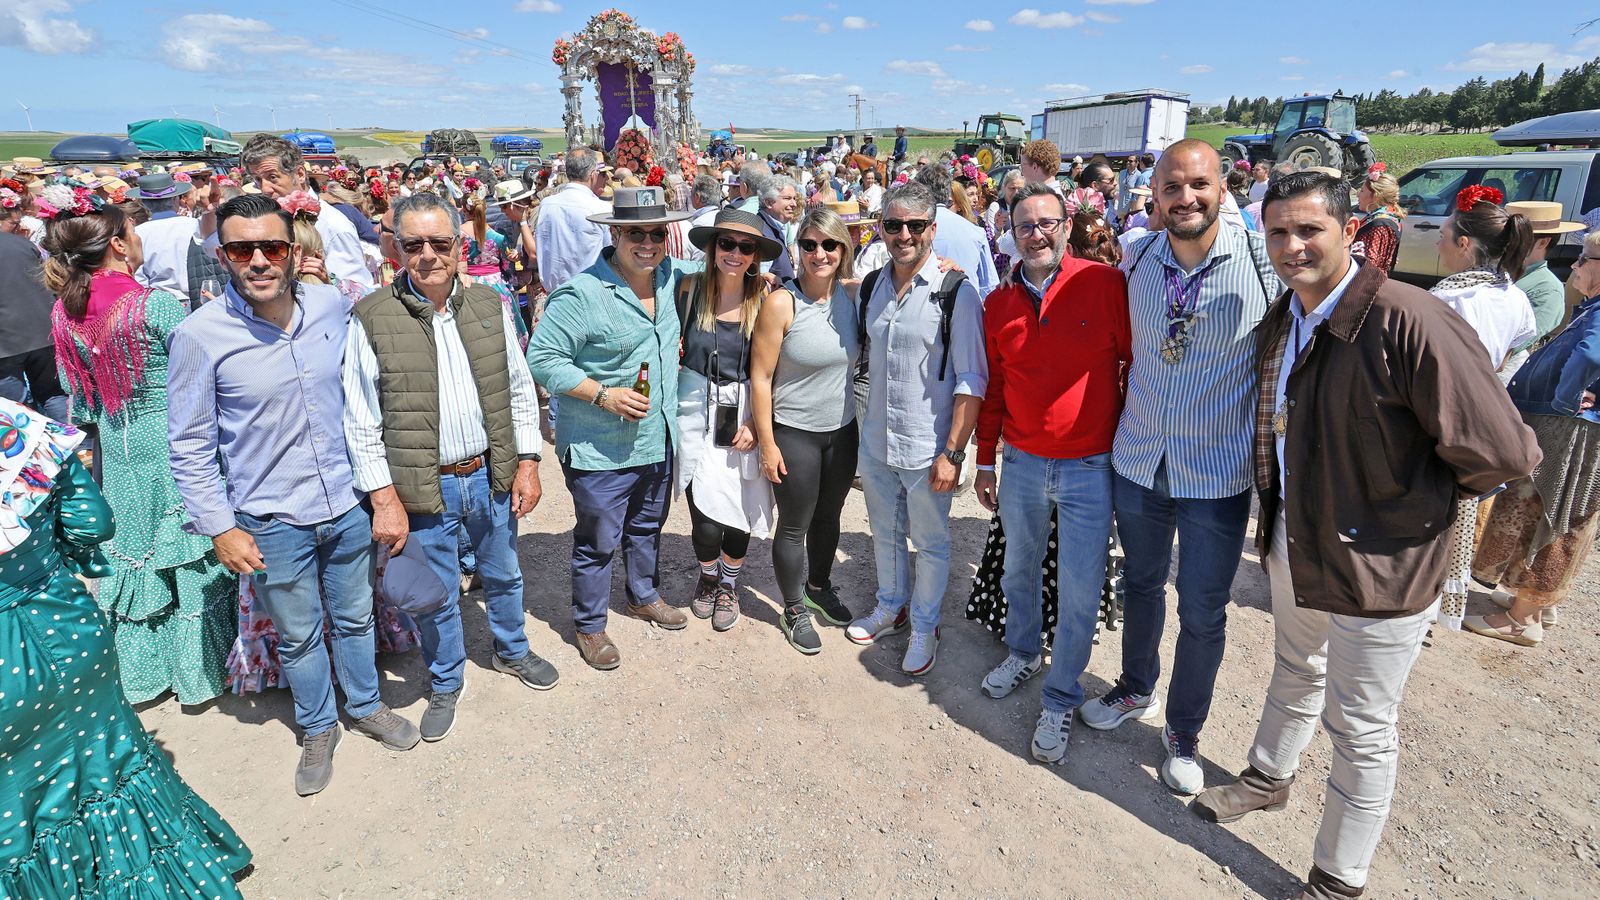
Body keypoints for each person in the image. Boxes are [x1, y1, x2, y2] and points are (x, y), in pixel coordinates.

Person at [1192, 170, 1541, 900]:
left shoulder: (1408, 318)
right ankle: (1268, 777)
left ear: (1350, 231)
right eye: (1279, 231)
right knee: (1296, 669)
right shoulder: (1289, 316)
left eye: (1309, 229)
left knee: (1360, 726)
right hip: (1299, 537)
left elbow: (1503, 453)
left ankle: (1337, 879)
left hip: (1383, 563)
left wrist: (1407, 508)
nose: (1292, 246)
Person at [169, 194, 420, 796]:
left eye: (271, 247)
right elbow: (190, 444)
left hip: (345, 504)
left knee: (357, 616)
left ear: (293, 250)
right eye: (241, 249)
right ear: (223, 256)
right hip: (273, 518)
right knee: (300, 633)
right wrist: (220, 528)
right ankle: (316, 726)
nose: (258, 260)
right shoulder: (200, 336)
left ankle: (364, 705)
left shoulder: (332, 307)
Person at [1081, 139, 1282, 796]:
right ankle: (1135, 687)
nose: (1185, 198)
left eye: (1198, 185)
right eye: (1172, 187)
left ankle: (1184, 731)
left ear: (1223, 189)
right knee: (1139, 586)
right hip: (1139, 461)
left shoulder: (1261, 265)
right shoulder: (1136, 257)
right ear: (1155, 195)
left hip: (1216, 476)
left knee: (1203, 608)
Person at [0, 399, 254, 898]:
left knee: (18, 812)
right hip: (68, 626)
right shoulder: (13, 423)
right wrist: (47, 563)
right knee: (110, 763)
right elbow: (93, 524)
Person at [345, 190, 557, 746]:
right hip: (425, 482)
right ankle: (446, 680)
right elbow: (361, 420)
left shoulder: (489, 306)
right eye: (414, 244)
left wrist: (529, 460)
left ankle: (512, 650)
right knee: (437, 590)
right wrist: (384, 499)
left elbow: (516, 390)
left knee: (504, 570)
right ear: (396, 249)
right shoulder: (372, 317)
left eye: (441, 242)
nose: (429, 255)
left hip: (488, 473)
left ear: (462, 246)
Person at [46, 200, 237, 707]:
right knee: (190, 555)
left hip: (116, 442)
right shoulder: (153, 305)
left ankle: (142, 675)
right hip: (172, 442)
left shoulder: (65, 312)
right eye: (132, 231)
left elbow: (78, 397)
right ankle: (199, 673)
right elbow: (198, 377)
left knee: (137, 554)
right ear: (116, 244)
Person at [972, 181, 1131, 763]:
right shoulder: (998, 304)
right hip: (1021, 462)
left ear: (1066, 225)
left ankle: (1061, 696)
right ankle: (1021, 651)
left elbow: (1134, 369)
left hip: (1091, 467)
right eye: (1023, 226)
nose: (1035, 233)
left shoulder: (1104, 285)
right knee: (1019, 567)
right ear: (1009, 235)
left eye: (1045, 223)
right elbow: (993, 392)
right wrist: (984, 460)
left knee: (1080, 587)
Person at [526, 186, 696, 670]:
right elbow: (542, 359)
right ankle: (590, 625)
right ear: (615, 233)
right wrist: (604, 395)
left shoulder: (670, 278)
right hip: (601, 448)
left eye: (656, 232)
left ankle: (643, 594)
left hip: (653, 437)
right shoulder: (581, 294)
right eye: (635, 233)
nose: (647, 243)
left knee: (647, 526)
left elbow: (723, 268)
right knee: (598, 540)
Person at [844, 181, 987, 674]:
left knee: (930, 543)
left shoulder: (956, 294)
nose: (903, 234)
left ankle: (925, 626)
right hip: (878, 439)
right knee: (884, 532)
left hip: (929, 447)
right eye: (893, 224)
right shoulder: (873, 285)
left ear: (932, 229)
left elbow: (972, 380)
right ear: (881, 228)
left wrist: (953, 453)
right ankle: (891, 605)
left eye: (915, 225)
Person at [1467, 228, 1600, 646]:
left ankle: (1525, 618)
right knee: (1542, 509)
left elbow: (1591, 355)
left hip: (1568, 431)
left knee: (1551, 512)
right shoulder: (1592, 306)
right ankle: (1534, 602)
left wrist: (1564, 401)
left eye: (1583, 259)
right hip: (1566, 425)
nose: (1575, 266)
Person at [749, 206, 862, 654]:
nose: (819, 253)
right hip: (794, 431)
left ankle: (818, 585)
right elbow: (760, 377)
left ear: (843, 249)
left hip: (842, 429)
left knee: (829, 516)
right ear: (798, 249)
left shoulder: (852, 297)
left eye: (829, 245)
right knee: (794, 525)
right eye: (810, 244)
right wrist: (767, 443)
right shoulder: (782, 302)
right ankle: (792, 606)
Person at [675, 209, 777, 632]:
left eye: (745, 246)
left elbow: (774, 370)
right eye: (726, 243)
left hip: (744, 408)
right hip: (694, 406)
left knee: (739, 503)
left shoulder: (765, 300)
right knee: (701, 509)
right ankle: (708, 574)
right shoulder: (688, 289)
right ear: (712, 247)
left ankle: (728, 584)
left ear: (755, 255)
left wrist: (757, 424)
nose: (735, 253)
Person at [234, 134, 375, 291]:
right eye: (258, 180)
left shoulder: (332, 225)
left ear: (300, 174)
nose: (265, 189)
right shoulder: (270, 219)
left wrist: (329, 281)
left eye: (272, 177)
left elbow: (360, 292)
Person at [1431, 186, 1537, 371]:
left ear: (1463, 243)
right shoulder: (1516, 296)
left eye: (1442, 236)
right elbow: (1501, 365)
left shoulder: (1449, 299)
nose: (1438, 245)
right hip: (1486, 394)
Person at [1501, 200, 1585, 376]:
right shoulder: (1498, 271)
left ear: (1542, 242)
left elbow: (1508, 349)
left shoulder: (1547, 289)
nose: (1505, 241)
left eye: (1514, 236)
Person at [0, 229, 66, 420]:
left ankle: (31, 449)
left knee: (14, 408)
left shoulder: (21, 243)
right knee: (54, 395)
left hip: (6, 344)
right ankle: (76, 446)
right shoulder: (21, 243)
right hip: (43, 330)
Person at [914, 161, 999, 298]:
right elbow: (989, 286)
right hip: (967, 305)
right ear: (948, 191)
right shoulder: (975, 231)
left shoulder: (912, 230)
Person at [535, 148, 613, 294]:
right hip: (590, 294)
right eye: (601, 173)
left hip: (556, 294)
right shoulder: (601, 208)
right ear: (593, 174)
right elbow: (610, 253)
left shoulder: (547, 205)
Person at [462, 193, 529, 350]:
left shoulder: (459, 234)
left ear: (465, 210)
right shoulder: (497, 236)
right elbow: (506, 265)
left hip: (468, 284)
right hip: (496, 285)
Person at [129, 172, 200, 299]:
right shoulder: (195, 225)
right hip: (198, 296)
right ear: (174, 199)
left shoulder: (138, 233)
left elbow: (139, 276)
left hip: (159, 302)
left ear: (144, 203)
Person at [757, 175, 799, 280]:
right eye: (787, 198)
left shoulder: (775, 227)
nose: (794, 204)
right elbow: (760, 279)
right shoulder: (761, 233)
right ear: (769, 203)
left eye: (794, 198)